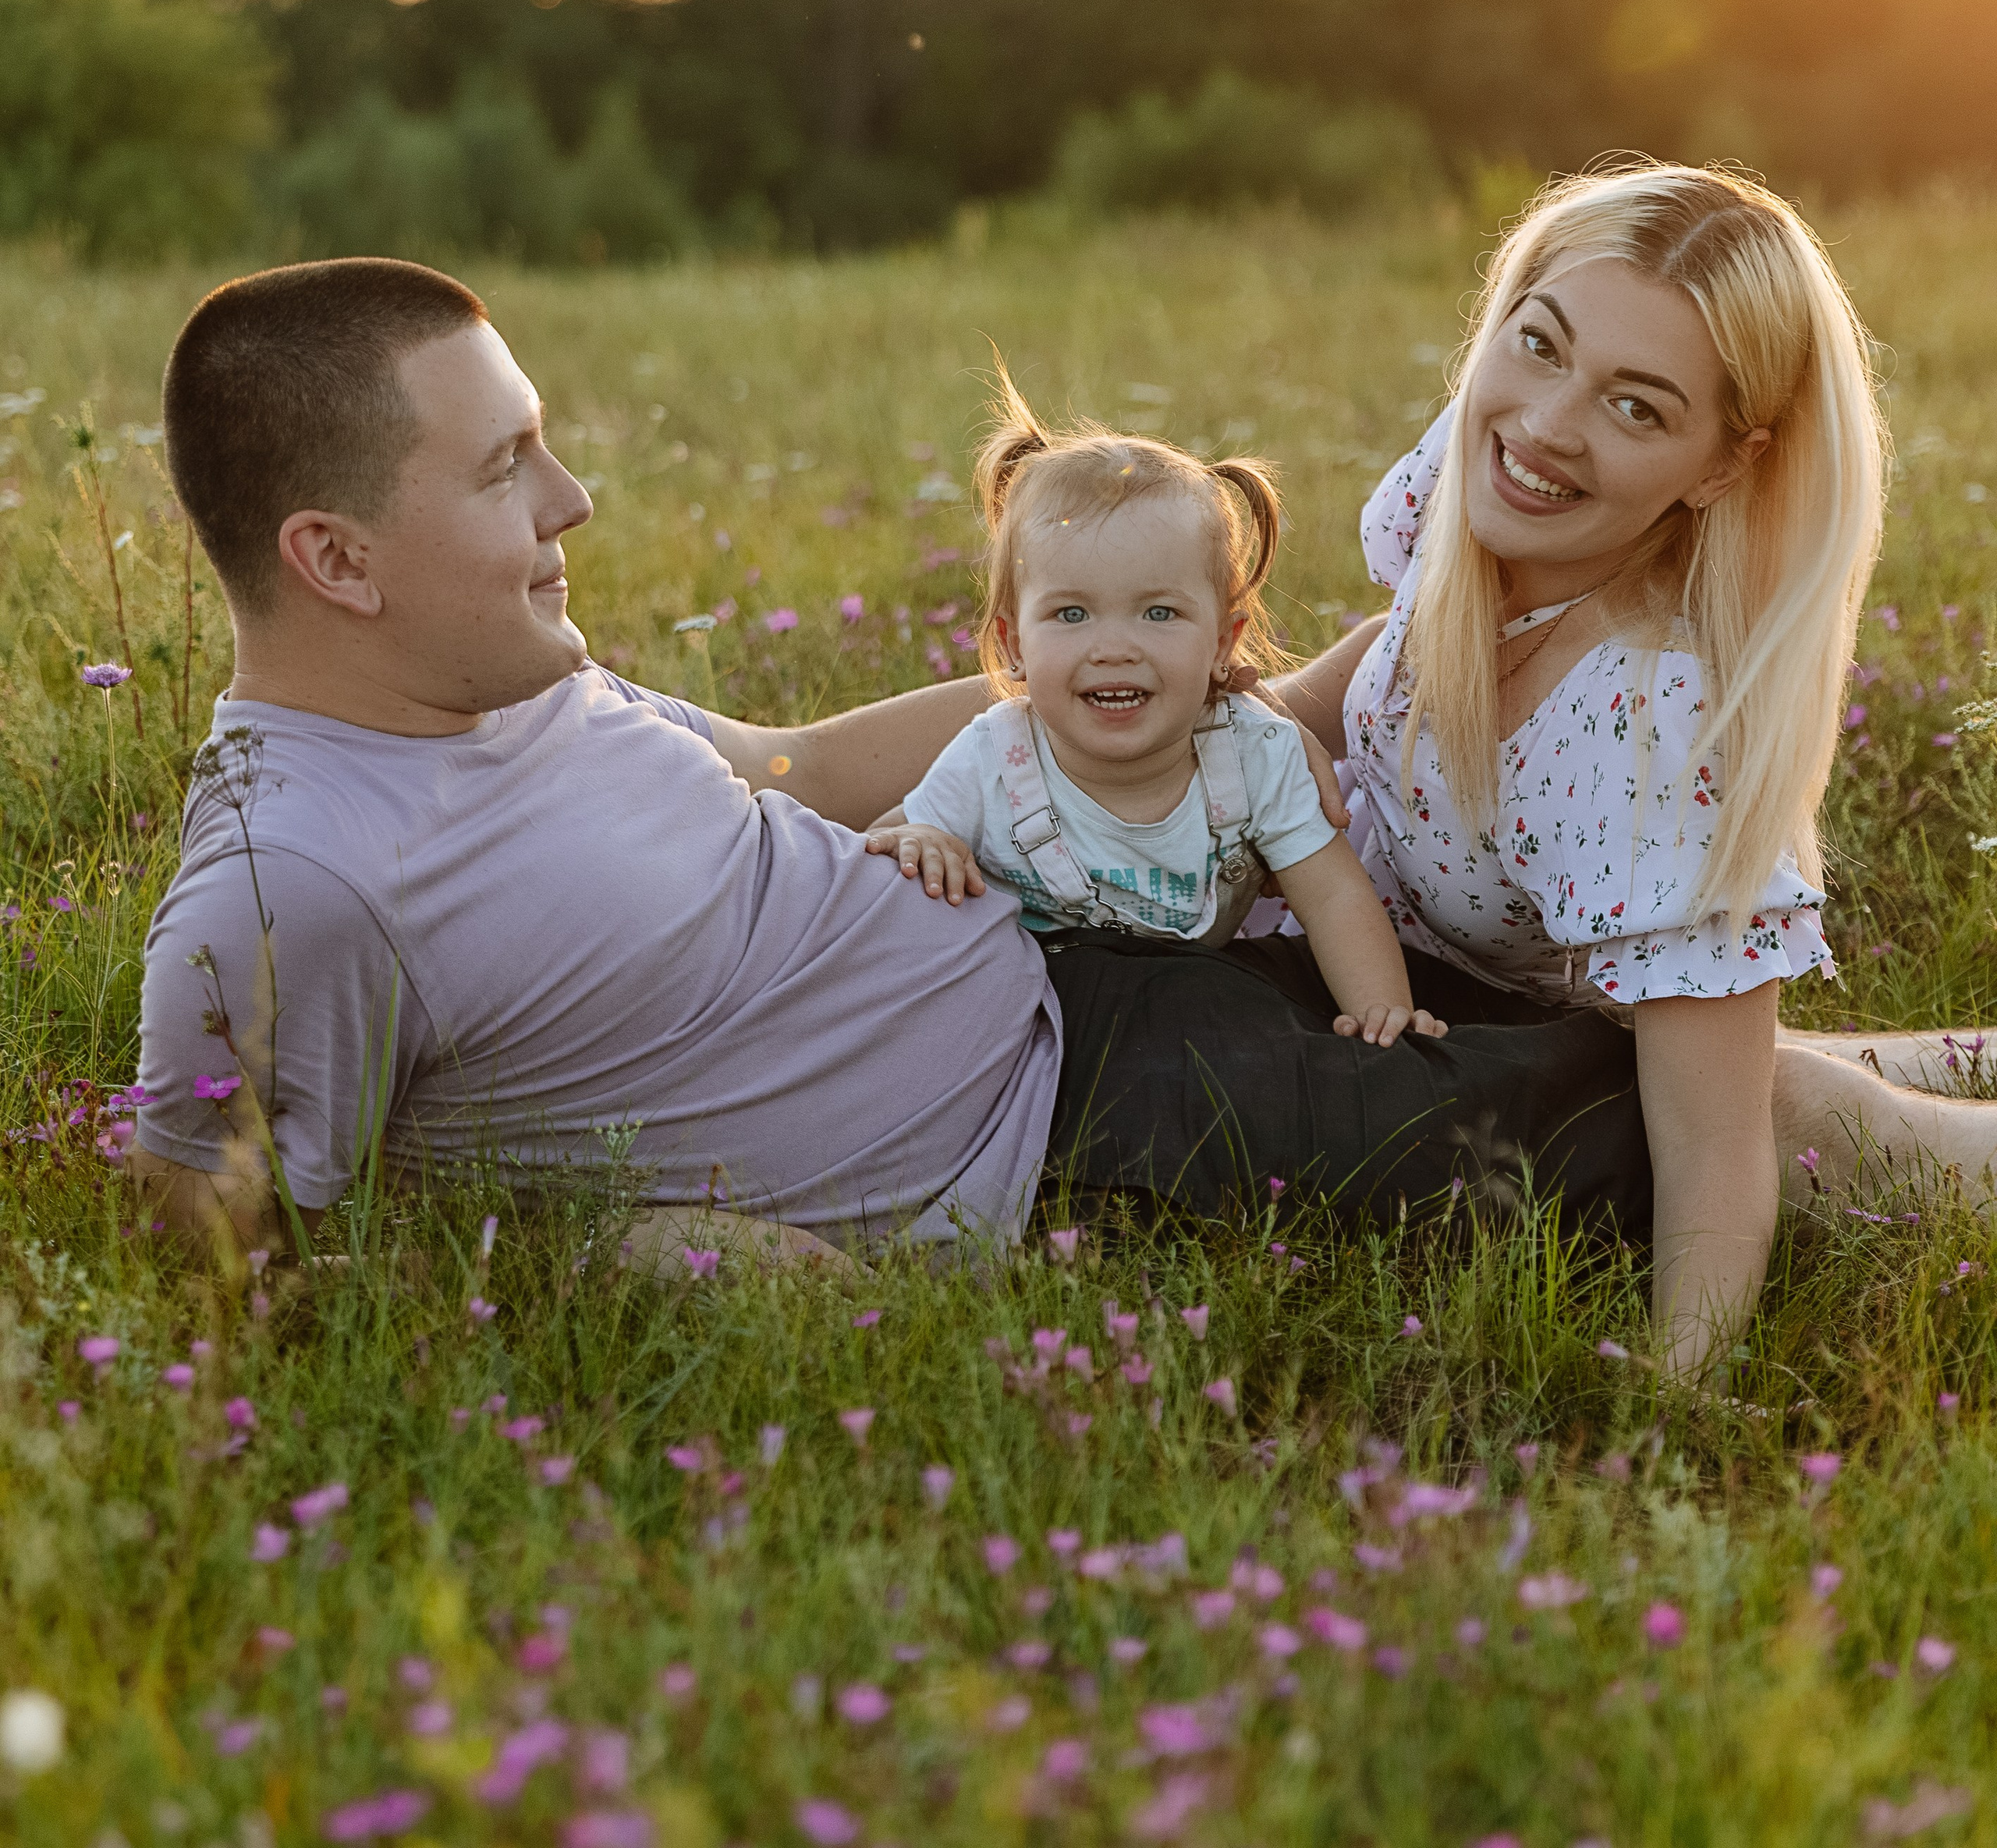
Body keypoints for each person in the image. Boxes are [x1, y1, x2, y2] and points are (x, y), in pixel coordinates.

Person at [127, 243, 1997, 1377]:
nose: (574, 497)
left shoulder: (491, 679)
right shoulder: (293, 894)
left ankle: (1919, 1062)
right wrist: (627, 1256)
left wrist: (1155, 725)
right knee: (1654, 1126)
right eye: (505, 467)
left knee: (1619, 1033)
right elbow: (229, 1268)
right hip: (1079, 1131)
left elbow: (768, 761)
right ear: (334, 559)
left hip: (1087, 956)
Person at [1266, 160, 1988, 1374]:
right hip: (1470, 986)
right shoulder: (1499, 467)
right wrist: (1256, 730)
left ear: (1719, 465)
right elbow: (1387, 652)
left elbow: (1710, 1147)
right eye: (1541, 343)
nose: (1550, 424)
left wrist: (1676, 1389)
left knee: (1787, 1108)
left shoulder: (1641, 719)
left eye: (1637, 407)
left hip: (1592, 1047)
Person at [867, 374, 1446, 1048]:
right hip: (1028, 1019)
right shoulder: (997, 759)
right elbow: (875, 848)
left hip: (1192, 1012)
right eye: (1072, 613)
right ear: (1013, 643)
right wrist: (914, 840)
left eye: (1160, 612)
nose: (1114, 648)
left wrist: (1382, 1010)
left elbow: (1334, 897)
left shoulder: (1256, 753)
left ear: (1223, 643)